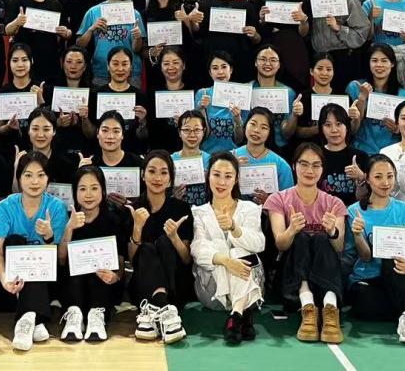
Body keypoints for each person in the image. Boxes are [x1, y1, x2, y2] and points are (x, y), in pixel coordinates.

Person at [0, 151, 71, 351]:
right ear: (19, 178)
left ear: (48, 179)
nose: (35, 181)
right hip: (9, 287)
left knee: (38, 253)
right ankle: (36, 318)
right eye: (28, 175)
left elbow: (59, 261)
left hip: (46, 283)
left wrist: (49, 237)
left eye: (41, 175)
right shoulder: (4, 208)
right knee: (15, 241)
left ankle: (26, 319)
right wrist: (5, 280)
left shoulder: (56, 207)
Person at [266, 143, 347, 343]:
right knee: (301, 237)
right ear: (294, 166)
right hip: (291, 279)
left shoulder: (334, 203)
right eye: (304, 164)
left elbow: (339, 248)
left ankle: (330, 309)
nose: (310, 170)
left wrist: (332, 231)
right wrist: (291, 229)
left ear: (322, 169)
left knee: (321, 238)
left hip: (326, 276)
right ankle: (307, 307)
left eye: (316, 165)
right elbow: (280, 244)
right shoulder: (278, 199)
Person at [342, 153, 405, 345]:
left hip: (399, 273)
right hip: (367, 278)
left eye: (390, 176)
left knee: (392, 258)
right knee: (363, 303)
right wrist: (357, 235)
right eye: (378, 177)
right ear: (367, 179)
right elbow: (365, 256)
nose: (385, 182)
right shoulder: (354, 211)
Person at [190, 152, 266, 344]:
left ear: (236, 179)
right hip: (214, 293)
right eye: (216, 175)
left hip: (251, 280)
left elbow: (259, 243)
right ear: (208, 176)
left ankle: (236, 315)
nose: (222, 182)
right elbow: (197, 249)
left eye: (228, 176)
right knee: (220, 249)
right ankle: (243, 314)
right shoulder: (199, 212)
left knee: (240, 250)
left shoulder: (250, 208)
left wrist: (234, 228)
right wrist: (226, 261)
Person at [58, 165, 131, 343]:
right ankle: (74, 315)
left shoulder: (113, 220)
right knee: (72, 269)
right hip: (74, 286)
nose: (88, 194)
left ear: (103, 191)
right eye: (82, 189)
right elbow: (61, 260)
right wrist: (69, 228)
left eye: (94, 188)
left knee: (101, 273)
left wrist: (115, 276)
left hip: (104, 285)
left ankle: (96, 317)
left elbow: (120, 260)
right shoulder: (68, 218)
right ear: (75, 192)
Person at [129, 151, 192, 344]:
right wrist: (137, 227)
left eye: (164, 172)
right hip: (142, 284)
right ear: (143, 175)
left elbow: (186, 258)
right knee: (146, 249)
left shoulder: (181, 208)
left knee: (165, 241)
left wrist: (174, 238)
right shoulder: (134, 208)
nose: (157, 178)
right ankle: (166, 312)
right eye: (152, 171)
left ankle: (154, 312)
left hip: (176, 283)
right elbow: (131, 258)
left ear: (170, 178)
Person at [309, 0, 373, 88]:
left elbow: (362, 32)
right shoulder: (315, 1)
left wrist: (338, 28)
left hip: (345, 58)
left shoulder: (351, 1)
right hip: (320, 58)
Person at [5, 0, 73, 84]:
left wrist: (66, 32)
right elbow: (7, 30)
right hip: (23, 62)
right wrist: (17, 22)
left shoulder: (56, 5)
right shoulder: (18, 2)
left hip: (49, 61)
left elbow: (68, 33)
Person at [77, 0, 145, 85]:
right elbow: (79, 44)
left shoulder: (134, 14)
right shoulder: (93, 12)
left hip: (130, 74)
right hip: (101, 72)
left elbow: (137, 49)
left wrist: (137, 37)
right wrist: (91, 29)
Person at [191, 0, 259, 82]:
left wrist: (254, 35)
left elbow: (257, 39)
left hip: (240, 63)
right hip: (210, 64)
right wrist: (193, 22)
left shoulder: (246, 6)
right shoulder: (202, 6)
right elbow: (195, 32)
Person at [256, 0, 311, 88]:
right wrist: (261, 20)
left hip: (294, 50)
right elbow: (257, 32)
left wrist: (303, 20)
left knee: (295, 88)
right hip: (269, 48)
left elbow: (304, 33)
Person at [348, 44, 405, 155]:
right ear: (369, 63)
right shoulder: (355, 87)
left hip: (392, 152)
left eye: (384, 61)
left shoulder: (404, 95)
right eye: (374, 60)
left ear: (392, 63)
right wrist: (362, 98)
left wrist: (398, 130)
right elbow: (351, 129)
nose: (379, 65)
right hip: (361, 151)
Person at [233, 107, 294, 203]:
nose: (256, 130)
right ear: (246, 125)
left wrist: (269, 202)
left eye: (264, 127)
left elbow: (288, 202)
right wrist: (232, 169)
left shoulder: (281, 165)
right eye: (253, 124)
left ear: (270, 132)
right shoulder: (231, 157)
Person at [317, 102, 368, 207]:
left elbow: (369, 197)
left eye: (339, 124)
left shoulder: (361, 157)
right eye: (328, 125)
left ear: (347, 127)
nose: (334, 130)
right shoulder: (316, 156)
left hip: (353, 213)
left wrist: (361, 177)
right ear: (321, 128)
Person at [196, 51, 245, 153]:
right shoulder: (202, 94)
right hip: (207, 154)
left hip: (232, 155)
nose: (220, 72)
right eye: (215, 68)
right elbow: (196, 133)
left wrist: (237, 119)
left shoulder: (242, 95)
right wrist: (200, 109)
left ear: (231, 70)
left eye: (224, 67)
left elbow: (239, 139)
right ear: (210, 73)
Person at [170, 110, 211, 207]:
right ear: (179, 132)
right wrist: (173, 196)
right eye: (186, 130)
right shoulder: (170, 161)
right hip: (179, 212)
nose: (192, 135)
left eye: (197, 130)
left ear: (204, 131)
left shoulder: (211, 161)